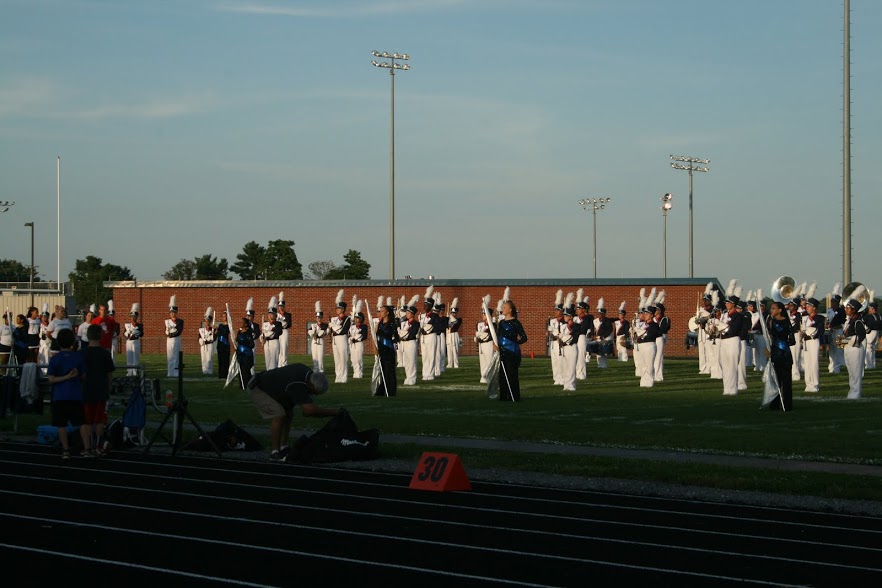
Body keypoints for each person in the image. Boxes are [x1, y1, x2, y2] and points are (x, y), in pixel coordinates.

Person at [245, 363, 340, 462]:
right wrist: (335, 412)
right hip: (258, 388)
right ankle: (274, 452)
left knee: (289, 413)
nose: (313, 395)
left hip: (271, 388)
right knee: (279, 414)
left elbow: (307, 411)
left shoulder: (307, 375)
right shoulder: (298, 384)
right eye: (314, 392)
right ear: (311, 385)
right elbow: (309, 410)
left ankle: (283, 447)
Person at [46, 328, 89, 459]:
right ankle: (87, 448)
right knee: (81, 422)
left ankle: (66, 450)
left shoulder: (55, 359)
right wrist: (70, 376)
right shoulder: (78, 357)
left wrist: (65, 377)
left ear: (58, 342)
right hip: (75, 395)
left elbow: (51, 379)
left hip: (60, 396)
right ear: (73, 342)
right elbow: (84, 376)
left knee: (62, 424)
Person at [82, 324, 115, 456]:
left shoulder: (82, 353)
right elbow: (109, 374)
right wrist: (109, 386)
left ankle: (88, 446)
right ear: (100, 335)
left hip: (86, 390)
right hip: (101, 389)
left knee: (87, 419)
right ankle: (98, 445)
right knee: (100, 419)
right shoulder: (105, 353)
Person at [495, 292, 527, 402]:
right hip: (502, 352)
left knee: (512, 375)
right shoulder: (501, 323)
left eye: (504, 307)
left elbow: (524, 337)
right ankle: (503, 397)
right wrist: (496, 346)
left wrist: (514, 343)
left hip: (512, 353)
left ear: (510, 310)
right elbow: (498, 336)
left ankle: (514, 396)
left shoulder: (516, 323)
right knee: (502, 376)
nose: (502, 309)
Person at [766, 301, 795, 411]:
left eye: (774, 308)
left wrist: (779, 341)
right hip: (780, 352)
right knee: (776, 380)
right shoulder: (771, 321)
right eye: (771, 308)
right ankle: (778, 404)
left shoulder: (783, 323)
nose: (771, 310)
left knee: (785, 381)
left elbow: (792, 340)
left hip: (782, 353)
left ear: (780, 310)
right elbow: (791, 341)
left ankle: (784, 405)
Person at [841, 296, 867, 400]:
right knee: (851, 371)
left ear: (854, 310)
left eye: (848, 308)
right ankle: (852, 392)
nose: (846, 310)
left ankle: (856, 393)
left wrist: (850, 340)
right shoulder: (850, 320)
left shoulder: (858, 321)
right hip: (848, 347)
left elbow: (861, 335)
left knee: (856, 371)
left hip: (855, 348)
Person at [719, 290, 744, 396]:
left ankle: (733, 389)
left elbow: (732, 330)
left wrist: (720, 327)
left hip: (733, 340)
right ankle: (726, 388)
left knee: (732, 365)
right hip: (723, 340)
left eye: (728, 302)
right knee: (724, 365)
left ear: (733, 304)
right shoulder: (724, 315)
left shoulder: (738, 316)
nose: (726, 304)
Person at [374, 302, 400, 397]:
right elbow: (376, 337)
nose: (380, 313)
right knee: (382, 371)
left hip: (389, 350)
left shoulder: (392, 324)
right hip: (381, 349)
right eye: (380, 311)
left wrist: (380, 331)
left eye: (382, 311)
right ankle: (381, 390)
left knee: (390, 371)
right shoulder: (379, 324)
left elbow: (394, 337)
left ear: (387, 313)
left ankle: (391, 391)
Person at [801, 296, 825, 393]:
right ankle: (808, 384)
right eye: (806, 305)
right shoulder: (804, 318)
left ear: (814, 307)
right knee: (807, 363)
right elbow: (802, 329)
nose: (807, 307)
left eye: (809, 306)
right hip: (805, 341)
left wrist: (808, 331)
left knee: (814, 363)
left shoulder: (819, 318)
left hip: (813, 341)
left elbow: (819, 330)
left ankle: (814, 384)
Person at [328, 291, 351, 383]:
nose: (337, 309)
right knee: (337, 359)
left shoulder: (347, 319)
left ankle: (344, 377)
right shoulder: (335, 319)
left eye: (339, 308)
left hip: (342, 338)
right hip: (335, 339)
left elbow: (343, 330)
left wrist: (333, 326)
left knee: (343, 358)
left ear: (343, 309)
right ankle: (338, 377)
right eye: (337, 308)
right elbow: (332, 329)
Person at [398, 299, 421, 386]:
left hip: (411, 343)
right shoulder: (404, 323)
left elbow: (411, 334)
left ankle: (412, 378)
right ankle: (408, 377)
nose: (406, 314)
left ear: (412, 314)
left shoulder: (416, 324)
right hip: (404, 343)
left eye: (408, 313)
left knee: (411, 362)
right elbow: (400, 332)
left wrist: (403, 333)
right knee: (406, 362)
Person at [419, 286, 439, 382]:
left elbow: (436, 326)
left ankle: (430, 374)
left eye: (426, 305)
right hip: (423, 337)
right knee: (425, 356)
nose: (424, 307)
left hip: (431, 336)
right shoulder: (421, 316)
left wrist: (426, 329)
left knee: (431, 355)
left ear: (431, 306)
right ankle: (425, 373)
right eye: (424, 305)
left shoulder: (435, 315)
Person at [475, 300, 494, 384]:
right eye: (482, 314)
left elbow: (488, 335)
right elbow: (477, 336)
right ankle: (483, 377)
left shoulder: (492, 324)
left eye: (484, 314)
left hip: (488, 344)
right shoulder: (481, 325)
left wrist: (479, 334)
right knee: (482, 362)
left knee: (489, 361)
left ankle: (487, 375)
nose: (483, 316)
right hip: (481, 345)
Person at [122, 303, 143, 376]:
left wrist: (136, 332)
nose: (133, 318)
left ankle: (135, 371)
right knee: (129, 357)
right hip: (128, 342)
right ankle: (129, 371)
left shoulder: (140, 325)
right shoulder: (127, 325)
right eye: (132, 317)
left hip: (135, 341)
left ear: (136, 317)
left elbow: (141, 334)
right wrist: (126, 334)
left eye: (134, 317)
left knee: (135, 357)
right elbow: (123, 334)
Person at [164, 296, 183, 378]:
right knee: (169, 356)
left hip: (176, 339)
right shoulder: (167, 321)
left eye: (174, 312)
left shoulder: (180, 321)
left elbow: (179, 330)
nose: (172, 314)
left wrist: (171, 334)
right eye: (171, 312)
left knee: (176, 356)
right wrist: (167, 333)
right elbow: (165, 330)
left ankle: (176, 372)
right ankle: (170, 372)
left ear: (176, 313)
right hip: (169, 340)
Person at [653, 294, 670, 382]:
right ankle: (654, 373)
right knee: (654, 356)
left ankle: (658, 376)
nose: (654, 311)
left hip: (660, 338)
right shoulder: (654, 319)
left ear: (659, 311)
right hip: (654, 338)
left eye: (656, 310)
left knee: (659, 357)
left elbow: (663, 329)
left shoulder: (665, 319)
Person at [349, 302, 367, 379]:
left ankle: (359, 372)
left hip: (359, 344)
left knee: (359, 358)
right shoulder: (352, 326)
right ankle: (355, 372)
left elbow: (364, 335)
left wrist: (355, 337)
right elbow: (349, 334)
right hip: (352, 344)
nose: (356, 319)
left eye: (358, 318)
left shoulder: (364, 326)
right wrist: (351, 338)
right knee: (353, 359)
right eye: (356, 318)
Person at [235, 317, 255, 389]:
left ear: (246, 324)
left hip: (247, 354)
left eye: (242, 322)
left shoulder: (248, 332)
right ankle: (242, 384)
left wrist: (245, 343)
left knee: (246, 370)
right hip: (240, 353)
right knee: (241, 369)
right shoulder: (239, 332)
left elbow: (252, 344)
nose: (240, 323)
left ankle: (248, 384)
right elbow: (237, 340)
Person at [307, 302, 327, 373]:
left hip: (320, 341)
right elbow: (309, 331)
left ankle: (321, 369)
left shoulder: (324, 325)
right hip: (314, 341)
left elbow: (322, 333)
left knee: (320, 356)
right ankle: (315, 369)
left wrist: (315, 332)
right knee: (314, 356)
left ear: (322, 318)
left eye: (320, 317)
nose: (318, 319)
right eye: (317, 317)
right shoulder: (313, 325)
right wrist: (314, 332)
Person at [198, 308, 216, 375]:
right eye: (206, 321)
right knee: (203, 358)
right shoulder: (201, 330)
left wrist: (215, 332)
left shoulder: (213, 330)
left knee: (209, 358)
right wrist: (201, 340)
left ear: (210, 322)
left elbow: (214, 338)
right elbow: (199, 337)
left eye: (208, 321)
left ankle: (210, 371)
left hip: (209, 345)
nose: (207, 322)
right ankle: (204, 370)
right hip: (203, 346)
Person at [446, 298, 462, 369]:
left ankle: (456, 363)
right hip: (448, 335)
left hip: (454, 334)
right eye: (452, 313)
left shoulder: (458, 319)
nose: (453, 314)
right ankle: (450, 363)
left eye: (454, 313)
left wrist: (450, 317)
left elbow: (455, 324)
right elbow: (447, 325)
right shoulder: (449, 319)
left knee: (455, 350)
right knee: (449, 350)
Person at [277, 293, 292, 368]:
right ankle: (279, 363)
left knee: (284, 347)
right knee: (278, 347)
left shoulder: (288, 315)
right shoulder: (276, 315)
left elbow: (289, 324)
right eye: (280, 306)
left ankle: (284, 363)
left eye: (282, 306)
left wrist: (283, 323)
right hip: (278, 332)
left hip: (284, 331)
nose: (281, 307)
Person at [215, 312, 231, 379]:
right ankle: (220, 374)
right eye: (223, 316)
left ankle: (225, 374)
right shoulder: (220, 326)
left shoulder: (229, 326)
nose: (224, 317)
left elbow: (226, 332)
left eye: (225, 316)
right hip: (220, 345)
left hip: (226, 345)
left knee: (225, 360)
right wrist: (215, 331)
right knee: (220, 360)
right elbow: (216, 335)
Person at [864, 301, 879, 370]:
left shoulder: (870, 316)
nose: (869, 310)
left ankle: (869, 365)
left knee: (868, 348)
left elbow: (864, 321)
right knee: (872, 349)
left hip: (870, 332)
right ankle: (873, 364)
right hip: (877, 332)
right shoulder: (879, 315)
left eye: (870, 308)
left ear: (873, 309)